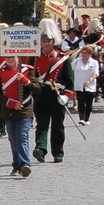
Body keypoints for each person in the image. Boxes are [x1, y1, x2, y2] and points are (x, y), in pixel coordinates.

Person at [31, 19, 74, 162]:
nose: (46, 44)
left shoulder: (63, 59)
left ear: (53, 41)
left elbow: (69, 80)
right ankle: (40, 149)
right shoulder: (34, 58)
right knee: (41, 124)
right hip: (41, 95)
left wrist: (67, 96)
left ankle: (58, 152)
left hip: (57, 95)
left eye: (48, 41)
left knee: (58, 126)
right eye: (43, 41)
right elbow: (31, 77)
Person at [0, 50, 36, 177]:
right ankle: (16, 165)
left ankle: (24, 164)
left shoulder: (27, 70)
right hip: (8, 110)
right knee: (13, 140)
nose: (10, 59)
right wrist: (10, 103)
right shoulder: (1, 72)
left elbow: (37, 88)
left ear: (18, 58)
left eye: (12, 57)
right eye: (7, 57)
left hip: (25, 109)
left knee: (22, 137)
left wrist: (26, 81)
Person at [71, 45, 100, 124]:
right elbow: (70, 70)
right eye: (82, 53)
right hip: (79, 84)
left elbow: (96, 73)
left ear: (90, 54)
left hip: (89, 85)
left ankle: (87, 119)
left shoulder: (94, 62)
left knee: (88, 103)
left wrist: (90, 80)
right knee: (80, 102)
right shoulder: (76, 61)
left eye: (86, 53)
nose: (84, 55)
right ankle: (81, 118)